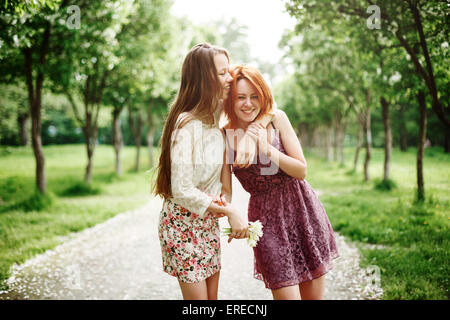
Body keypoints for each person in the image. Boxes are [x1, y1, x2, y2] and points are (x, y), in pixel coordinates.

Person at [221, 65, 339, 300]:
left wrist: (266, 149)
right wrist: (229, 213)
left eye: (254, 96)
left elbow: (301, 170)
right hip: (266, 223)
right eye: (240, 97)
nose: (248, 103)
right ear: (230, 100)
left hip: (302, 211)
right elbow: (226, 191)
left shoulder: (276, 120)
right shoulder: (225, 137)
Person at [153, 43, 249, 300]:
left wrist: (224, 203)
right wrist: (230, 211)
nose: (229, 78)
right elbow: (181, 189)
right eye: (221, 73)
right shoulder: (187, 125)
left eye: (228, 72)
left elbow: (258, 103)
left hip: (206, 225)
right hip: (182, 227)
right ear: (203, 79)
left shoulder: (215, 120)